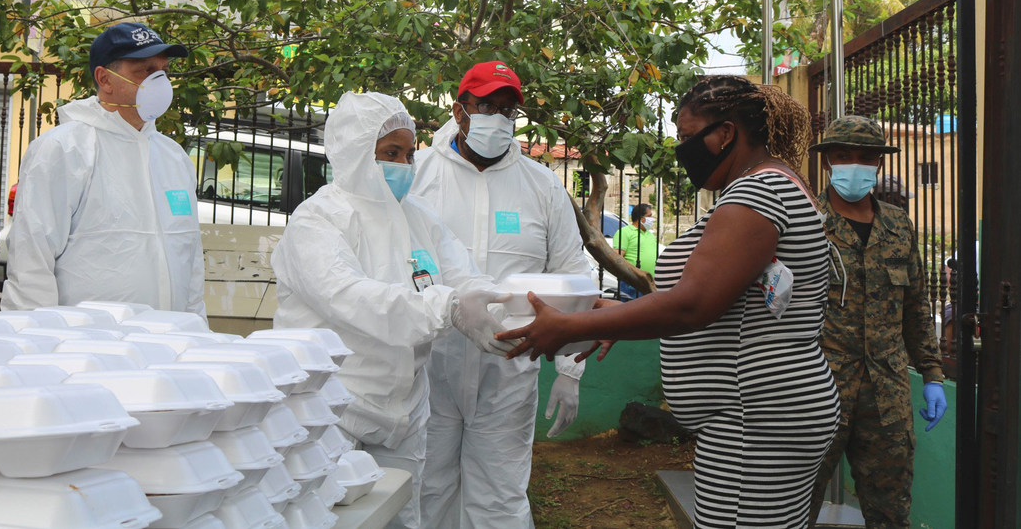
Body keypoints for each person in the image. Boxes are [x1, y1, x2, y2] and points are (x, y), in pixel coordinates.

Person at [499, 75, 841, 528]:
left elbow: (691, 306)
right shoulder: (770, 185)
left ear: (726, 133)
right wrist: (616, 318)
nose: (682, 150)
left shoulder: (759, 192)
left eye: (687, 136)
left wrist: (571, 327)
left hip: (754, 417)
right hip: (751, 416)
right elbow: (717, 300)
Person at [271, 91, 512, 529]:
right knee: (328, 517)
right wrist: (448, 307)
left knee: (401, 517)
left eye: (409, 154)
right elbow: (352, 298)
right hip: (332, 410)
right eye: (390, 153)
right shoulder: (319, 221)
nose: (403, 165)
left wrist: (506, 309)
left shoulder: (417, 216)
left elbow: (463, 273)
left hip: (403, 410)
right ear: (356, 152)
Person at [410, 60, 590, 528]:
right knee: (427, 487)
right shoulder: (418, 175)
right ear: (460, 109)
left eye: (509, 110)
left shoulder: (542, 185)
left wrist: (571, 367)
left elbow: (573, 272)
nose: (499, 118)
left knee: (500, 495)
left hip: (510, 365)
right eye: (487, 105)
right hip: (431, 363)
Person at [2, 23, 205, 316]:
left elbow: (191, 262)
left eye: (164, 71)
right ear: (105, 79)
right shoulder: (64, 150)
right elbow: (31, 261)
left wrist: (196, 333)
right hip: (89, 349)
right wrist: (38, 342)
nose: (160, 81)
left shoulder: (173, 158)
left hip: (166, 343)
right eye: (146, 71)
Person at [806, 115, 947, 528]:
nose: (855, 164)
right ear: (829, 161)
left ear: (879, 164)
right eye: (843, 155)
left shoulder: (898, 225)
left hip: (886, 396)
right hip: (816, 387)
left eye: (866, 157)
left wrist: (933, 374)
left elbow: (917, 305)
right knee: (793, 505)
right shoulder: (805, 220)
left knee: (890, 510)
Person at [613, 203, 657, 300]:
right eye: (649, 216)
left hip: (650, 282)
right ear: (641, 219)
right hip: (632, 282)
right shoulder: (624, 232)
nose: (652, 219)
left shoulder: (650, 235)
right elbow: (617, 257)